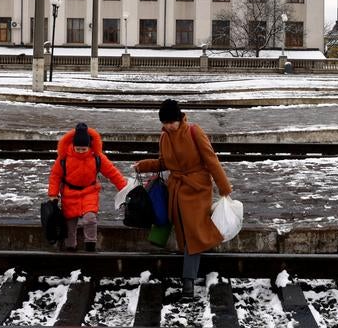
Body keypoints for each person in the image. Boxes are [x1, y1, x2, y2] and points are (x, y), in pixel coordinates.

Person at [134, 99, 233, 298]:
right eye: (165, 122)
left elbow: (210, 159)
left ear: (179, 118)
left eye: (172, 121)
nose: (169, 126)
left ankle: (188, 283)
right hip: (177, 190)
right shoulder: (164, 137)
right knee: (188, 234)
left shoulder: (194, 131)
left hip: (197, 189)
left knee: (193, 235)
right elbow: (164, 162)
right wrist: (143, 165)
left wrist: (224, 186)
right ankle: (197, 272)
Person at [48, 123, 127, 252]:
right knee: (70, 224)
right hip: (69, 193)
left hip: (90, 192)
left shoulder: (97, 157)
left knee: (90, 219)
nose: (80, 151)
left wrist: (123, 187)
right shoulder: (64, 158)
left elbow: (112, 172)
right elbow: (55, 176)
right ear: (73, 146)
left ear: (89, 146)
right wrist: (53, 194)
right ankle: (70, 248)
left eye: (83, 149)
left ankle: (90, 246)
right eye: (77, 149)